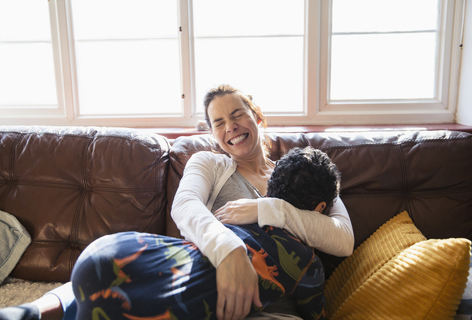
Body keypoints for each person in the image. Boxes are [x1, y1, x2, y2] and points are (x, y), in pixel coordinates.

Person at [0, 85, 354, 320]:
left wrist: (264, 208)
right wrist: (229, 249)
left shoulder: (306, 173)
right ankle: (33, 312)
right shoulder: (211, 163)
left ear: (257, 116)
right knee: (130, 269)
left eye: (238, 115)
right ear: (213, 133)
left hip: (272, 303)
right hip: (211, 265)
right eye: (219, 122)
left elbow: (343, 239)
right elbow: (185, 207)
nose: (230, 126)